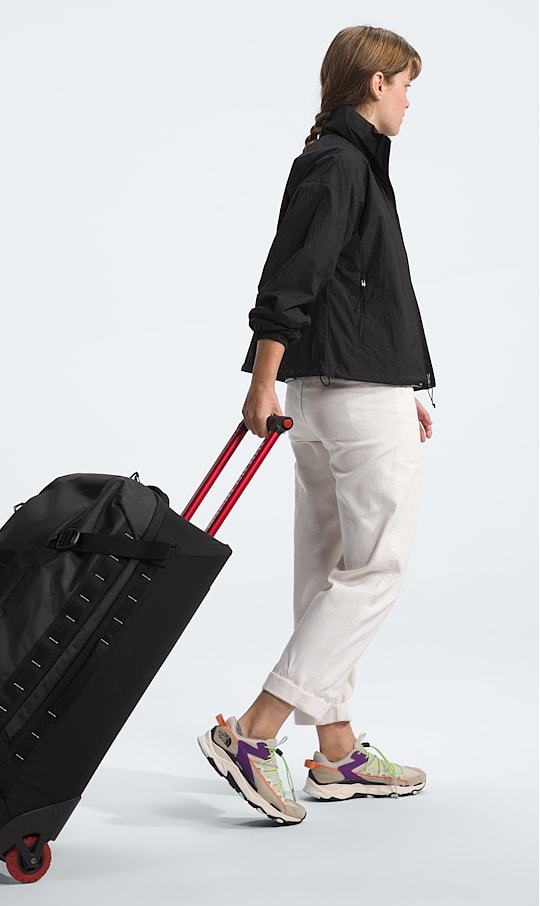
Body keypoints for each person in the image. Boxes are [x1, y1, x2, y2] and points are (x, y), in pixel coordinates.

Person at [197, 25, 436, 826]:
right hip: (349, 397)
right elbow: (291, 278)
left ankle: (335, 750)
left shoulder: (343, 160)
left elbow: (348, 290)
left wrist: (398, 381)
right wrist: (261, 380)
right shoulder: (340, 164)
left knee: (327, 570)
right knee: (375, 568)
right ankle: (255, 732)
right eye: (405, 84)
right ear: (375, 83)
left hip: (336, 392)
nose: (410, 100)